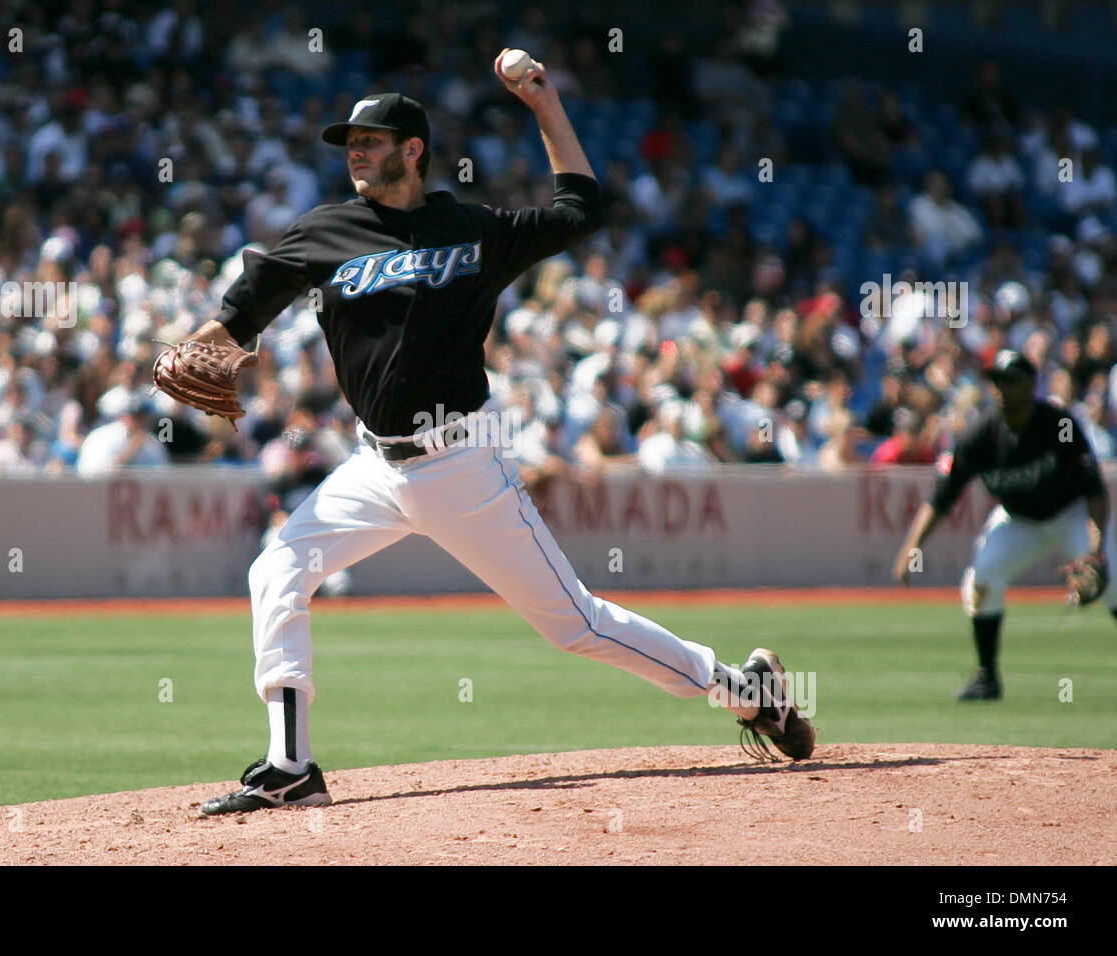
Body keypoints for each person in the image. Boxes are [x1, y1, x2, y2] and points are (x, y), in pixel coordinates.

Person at [179, 54, 814, 816]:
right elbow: (247, 303)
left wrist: (544, 101)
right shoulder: (325, 232)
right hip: (372, 466)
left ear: (413, 150)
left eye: (372, 139)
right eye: (349, 139)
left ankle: (745, 690)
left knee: (575, 625)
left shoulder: (473, 230)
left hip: (460, 465)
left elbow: (581, 208)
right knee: (274, 574)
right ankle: (290, 763)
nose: (355, 149)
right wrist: (203, 344)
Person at [891, 350, 1116, 700]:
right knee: (981, 579)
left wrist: (1094, 550)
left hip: (1070, 513)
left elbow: (1095, 493)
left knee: (1114, 580)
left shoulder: (1060, 424)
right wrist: (912, 546)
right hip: (1019, 519)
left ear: (1030, 385)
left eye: (1009, 381)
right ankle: (987, 678)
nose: (1000, 389)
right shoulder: (981, 435)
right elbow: (942, 497)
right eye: (996, 381)